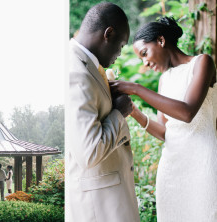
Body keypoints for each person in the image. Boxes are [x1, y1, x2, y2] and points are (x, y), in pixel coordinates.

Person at [110, 17, 217, 221]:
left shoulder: (202, 63)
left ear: (160, 40)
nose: (145, 63)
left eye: (145, 53)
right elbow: (165, 132)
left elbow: (187, 112)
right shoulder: (164, 80)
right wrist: (134, 111)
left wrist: (136, 88)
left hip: (203, 163)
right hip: (172, 169)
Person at [67, 2, 140, 222]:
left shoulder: (87, 66)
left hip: (109, 196)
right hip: (98, 205)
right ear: (108, 34)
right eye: (121, 45)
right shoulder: (75, 73)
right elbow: (89, 152)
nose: (120, 52)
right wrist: (119, 112)